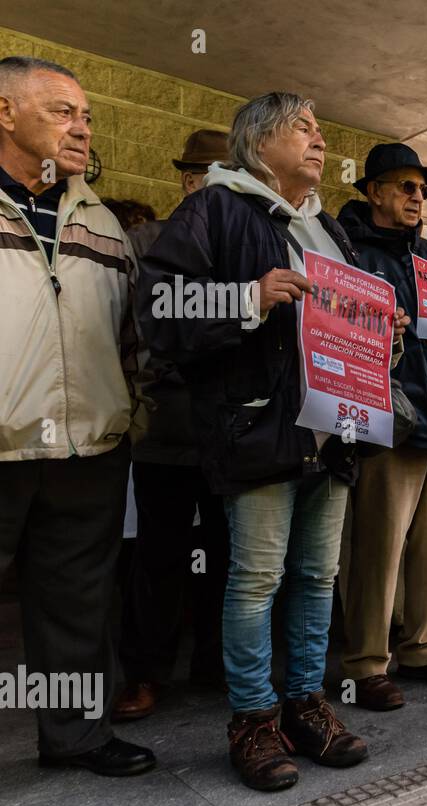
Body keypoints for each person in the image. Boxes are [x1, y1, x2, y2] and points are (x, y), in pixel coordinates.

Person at [139, 92, 409, 791]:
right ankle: (254, 719)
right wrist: (245, 299)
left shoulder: (327, 230)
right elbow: (160, 311)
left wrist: (385, 330)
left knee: (318, 576)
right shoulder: (215, 210)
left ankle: (306, 706)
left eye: (321, 128)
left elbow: (342, 323)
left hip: (334, 431)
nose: (320, 141)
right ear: (259, 144)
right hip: (257, 424)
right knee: (257, 579)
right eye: (304, 129)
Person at [0, 56, 155, 777]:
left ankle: (77, 737)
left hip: (89, 450)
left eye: (87, 115)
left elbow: (130, 338)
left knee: (77, 605)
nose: (82, 127)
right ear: (5, 113)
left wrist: (130, 417)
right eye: (63, 111)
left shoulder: (101, 221)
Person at [336, 142, 427, 712]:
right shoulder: (348, 252)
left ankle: (425, 647)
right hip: (390, 427)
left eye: (421, 188)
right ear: (373, 191)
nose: (416, 196)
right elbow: (331, 333)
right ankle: (366, 663)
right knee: (375, 551)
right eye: (404, 185)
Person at [115, 128, 231, 723]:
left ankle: (213, 662)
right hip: (165, 426)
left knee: (224, 553)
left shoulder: (243, 243)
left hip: (231, 431)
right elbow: (139, 329)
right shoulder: (145, 240)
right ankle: (146, 672)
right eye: (208, 176)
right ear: (188, 181)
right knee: (158, 557)